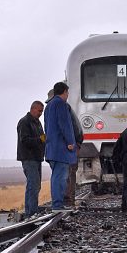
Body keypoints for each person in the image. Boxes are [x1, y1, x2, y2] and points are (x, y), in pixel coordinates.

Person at [43, 82, 77, 210]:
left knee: (56, 176)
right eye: (67, 92)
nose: (68, 95)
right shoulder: (61, 104)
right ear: (64, 92)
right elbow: (65, 124)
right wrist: (70, 142)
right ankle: (57, 205)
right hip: (61, 149)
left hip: (52, 148)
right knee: (60, 177)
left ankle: (58, 203)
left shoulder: (49, 106)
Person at [17, 100, 45, 217]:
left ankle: (31, 210)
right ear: (32, 109)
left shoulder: (37, 122)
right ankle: (31, 213)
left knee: (36, 184)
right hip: (28, 158)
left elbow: (41, 138)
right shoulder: (24, 122)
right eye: (39, 111)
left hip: (36, 158)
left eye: (41, 112)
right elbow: (24, 140)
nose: (40, 113)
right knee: (33, 184)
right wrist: (40, 140)